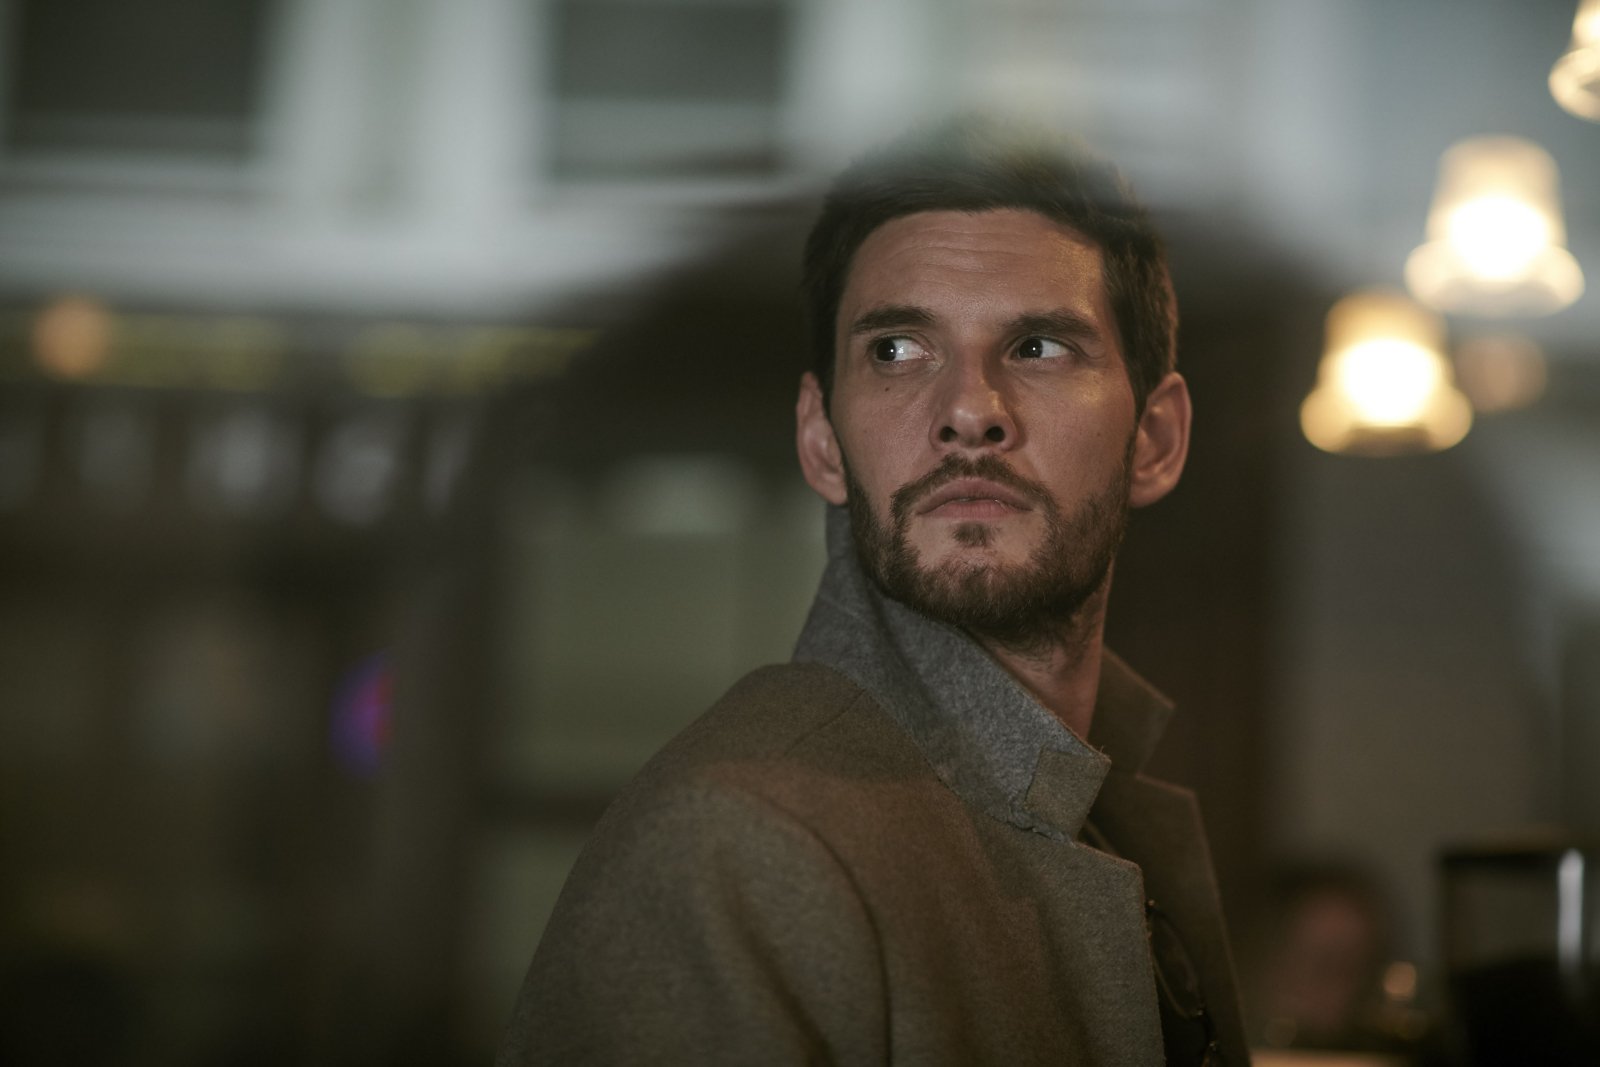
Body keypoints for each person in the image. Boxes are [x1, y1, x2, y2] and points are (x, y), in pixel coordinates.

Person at [498, 118, 1249, 1066]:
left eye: (1039, 348)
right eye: (897, 349)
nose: (971, 412)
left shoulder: (1099, 800)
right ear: (820, 439)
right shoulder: (738, 844)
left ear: (1156, 439)